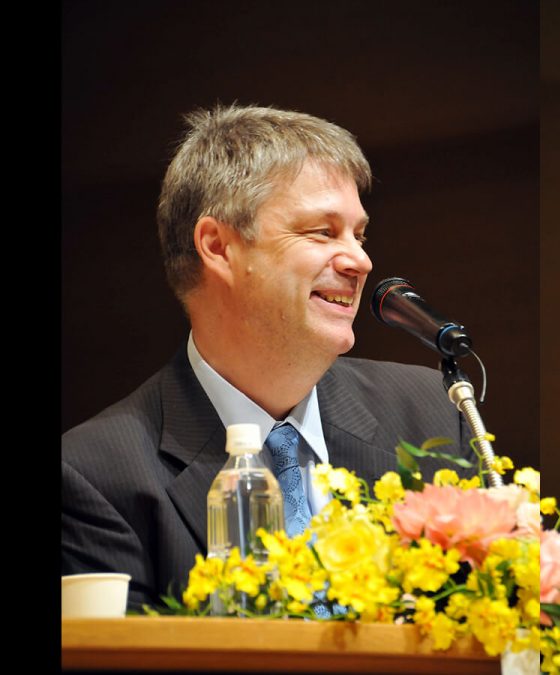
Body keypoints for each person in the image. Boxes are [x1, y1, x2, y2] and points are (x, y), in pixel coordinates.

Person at [62, 104, 470, 610]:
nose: (361, 261)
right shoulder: (97, 476)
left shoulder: (431, 413)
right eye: (323, 232)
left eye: (359, 235)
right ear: (218, 246)